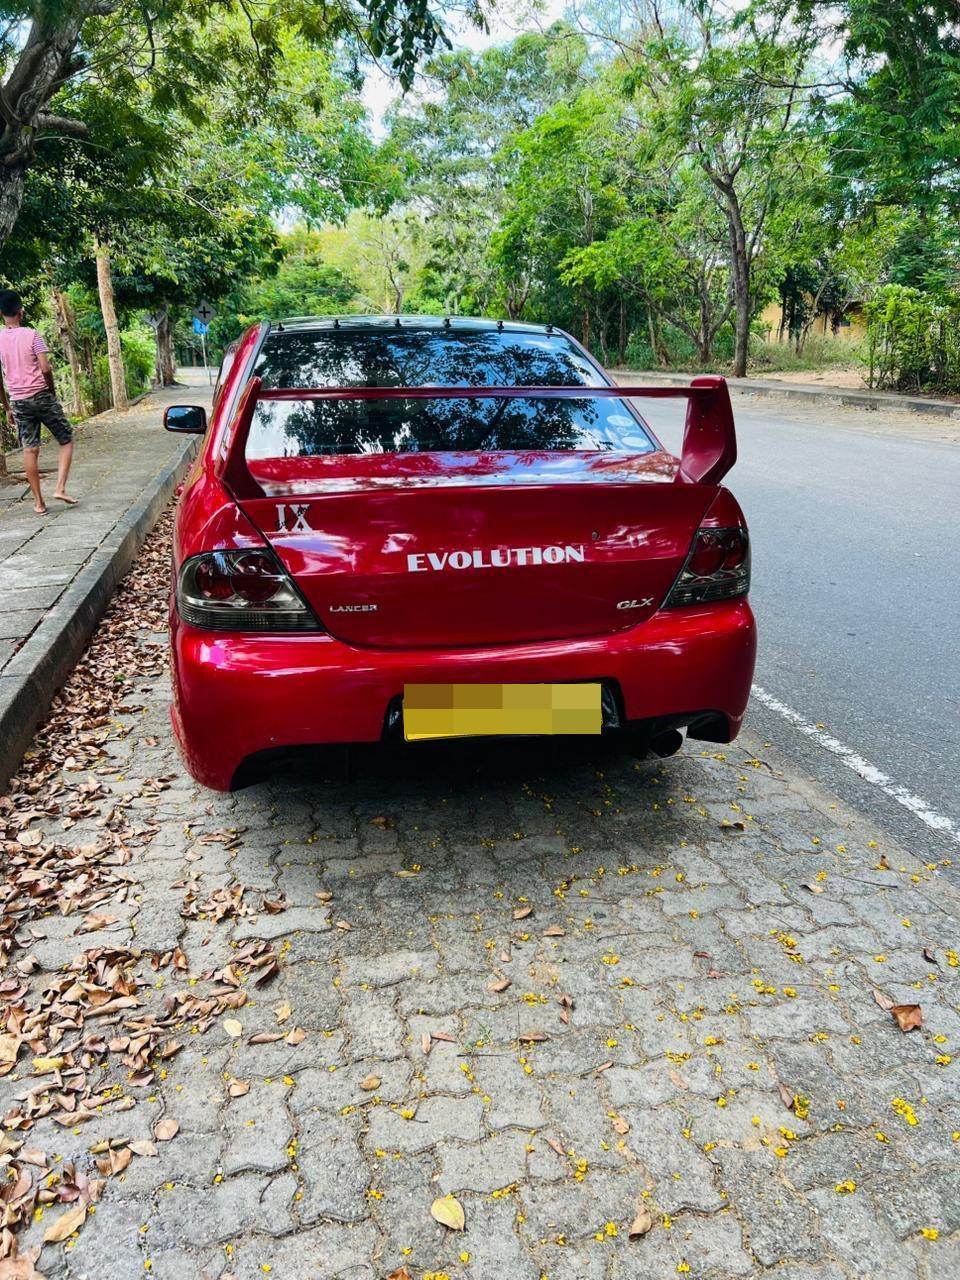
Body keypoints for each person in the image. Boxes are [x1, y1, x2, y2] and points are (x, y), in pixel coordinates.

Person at [0, 289, 76, 515]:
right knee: (66, 439)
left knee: (30, 450)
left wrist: (6, 407)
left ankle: (38, 503)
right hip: (41, 395)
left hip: (19, 401)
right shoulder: (32, 335)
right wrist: (50, 391)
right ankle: (60, 488)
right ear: (20, 311)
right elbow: (45, 368)